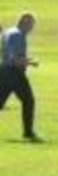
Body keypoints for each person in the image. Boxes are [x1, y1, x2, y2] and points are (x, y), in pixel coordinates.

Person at [1, 11, 41, 141]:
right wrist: (31, 63)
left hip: (4, 72)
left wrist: (26, 60)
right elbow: (13, 59)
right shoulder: (17, 35)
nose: (32, 27)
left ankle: (28, 132)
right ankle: (28, 133)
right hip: (14, 73)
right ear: (25, 22)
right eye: (31, 24)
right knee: (29, 100)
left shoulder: (9, 32)